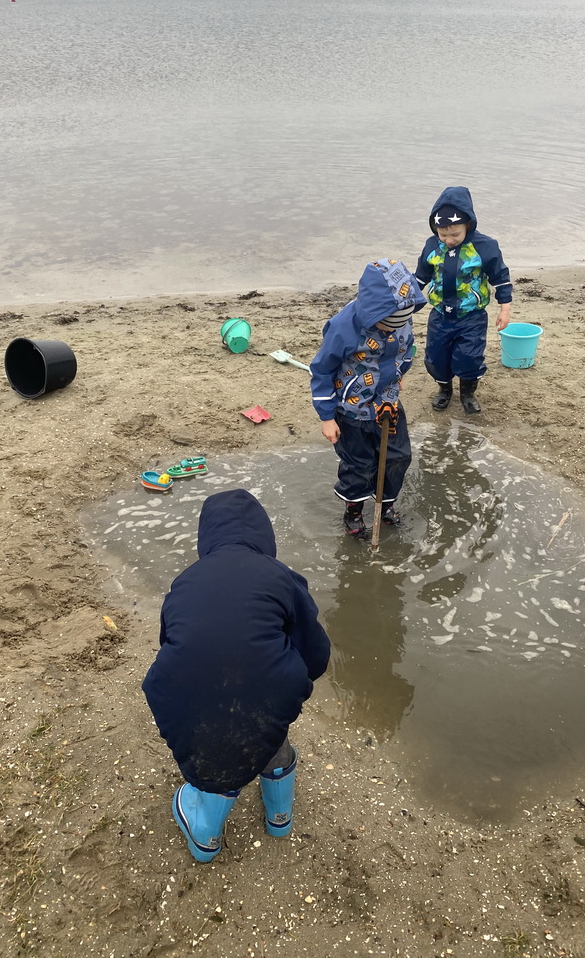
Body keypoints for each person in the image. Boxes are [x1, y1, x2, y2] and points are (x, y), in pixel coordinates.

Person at [142, 488, 330, 863]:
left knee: (214, 741)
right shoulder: (282, 576)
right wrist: (287, 682)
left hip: (180, 692)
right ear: (266, 536)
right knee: (264, 713)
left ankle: (205, 835)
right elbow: (316, 654)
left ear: (205, 536)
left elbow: (172, 642)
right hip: (266, 692)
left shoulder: (185, 580)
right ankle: (279, 816)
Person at [310, 258, 426, 538]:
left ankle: (384, 505)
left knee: (398, 456)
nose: (394, 329)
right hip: (352, 410)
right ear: (375, 313)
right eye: (387, 325)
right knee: (359, 464)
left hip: (388, 402)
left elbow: (408, 348)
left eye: (401, 322)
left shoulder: (402, 318)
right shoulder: (343, 327)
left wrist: (401, 373)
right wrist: (327, 417)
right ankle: (354, 511)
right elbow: (321, 370)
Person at [414, 186, 512, 414]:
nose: (449, 240)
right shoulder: (431, 246)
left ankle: (467, 393)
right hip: (439, 315)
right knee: (436, 357)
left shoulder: (485, 246)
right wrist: (404, 302)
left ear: (468, 224)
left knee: (469, 356)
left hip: (472, 316)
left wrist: (504, 309)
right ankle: (444, 390)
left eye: (455, 234)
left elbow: (501, 278)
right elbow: (420, 277)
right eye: (443, 234)